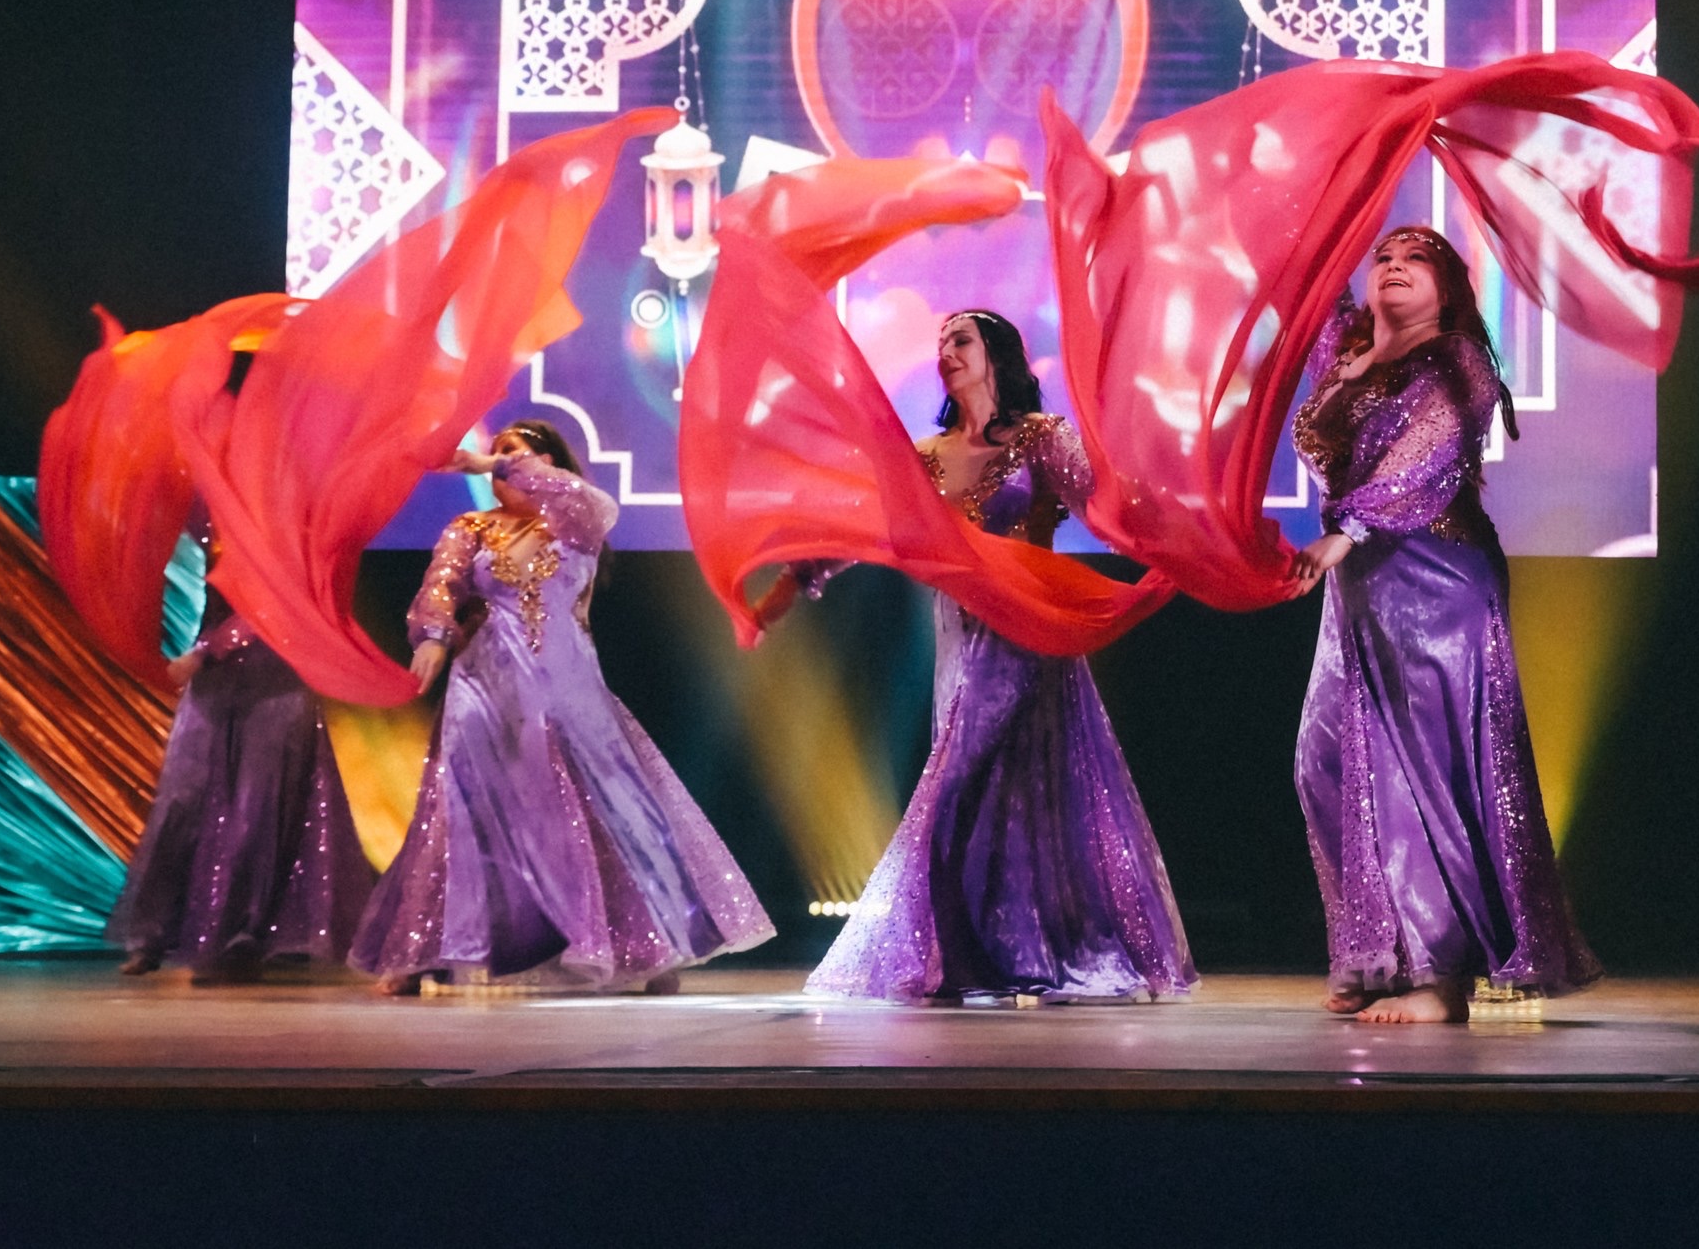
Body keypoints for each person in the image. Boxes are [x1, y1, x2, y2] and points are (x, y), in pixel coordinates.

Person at [797, 311, 1194, 1004]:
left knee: (996, 788)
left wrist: (1184, 538)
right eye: (940, 343)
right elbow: (872, 527)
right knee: (985, 795)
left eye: (961, 340)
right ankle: (982, 957)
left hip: (1030, 634)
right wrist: (802, 573)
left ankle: (1045, 949)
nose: (946, 352)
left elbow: (1106, 510)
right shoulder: (924, 455)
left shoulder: (1042, 438)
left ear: (996, 356)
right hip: (958, 639)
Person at [1287, 227, 1599, 1024]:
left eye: (1416, 259)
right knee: (1326, 762)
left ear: (1449, 289)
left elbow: (1421, 456)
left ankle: (1440, 974)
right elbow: (1309, 270)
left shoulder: (1458, 363)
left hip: (1435, 580)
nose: (1393, 266)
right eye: (1384, 258)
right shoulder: (1344, 356)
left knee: (1416, 775)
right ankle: (1376, 953)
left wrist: (1347, 529)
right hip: (1358, 587)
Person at [351, 421, 772, 994]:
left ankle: (645, 948)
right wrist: (432, 636)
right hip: (486, 682)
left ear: (547, 462)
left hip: (566, 683)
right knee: (460, 804)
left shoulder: (576, 522)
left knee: (603, 807)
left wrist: (493, 463)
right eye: (495, 452)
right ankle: (425, 953)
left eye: (513, 451)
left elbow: (593, 501)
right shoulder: (469, 528)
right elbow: (441, 588)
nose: (497, 462)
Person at [109, 517, 373, 982]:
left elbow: (274, 603)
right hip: (217, 685)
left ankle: (238, 940)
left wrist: (204, 651)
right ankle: (153, 935)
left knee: (258, 810)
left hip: (275, 679)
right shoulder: (214, 518)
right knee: (182, 802)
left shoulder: (292, 524)